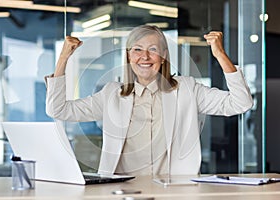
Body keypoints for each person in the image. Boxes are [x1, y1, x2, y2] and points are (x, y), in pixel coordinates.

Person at [45, 25, 253, 176]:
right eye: (137, 49)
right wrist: (63, 58)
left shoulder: (187, 89)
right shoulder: (111, 94)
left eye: (152, 50)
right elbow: (58, 110)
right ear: (128, 56)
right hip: (121, 191)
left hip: (174, 191)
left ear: (163, 56)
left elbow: (240, 103)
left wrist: (220, 55)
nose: (144, 57)